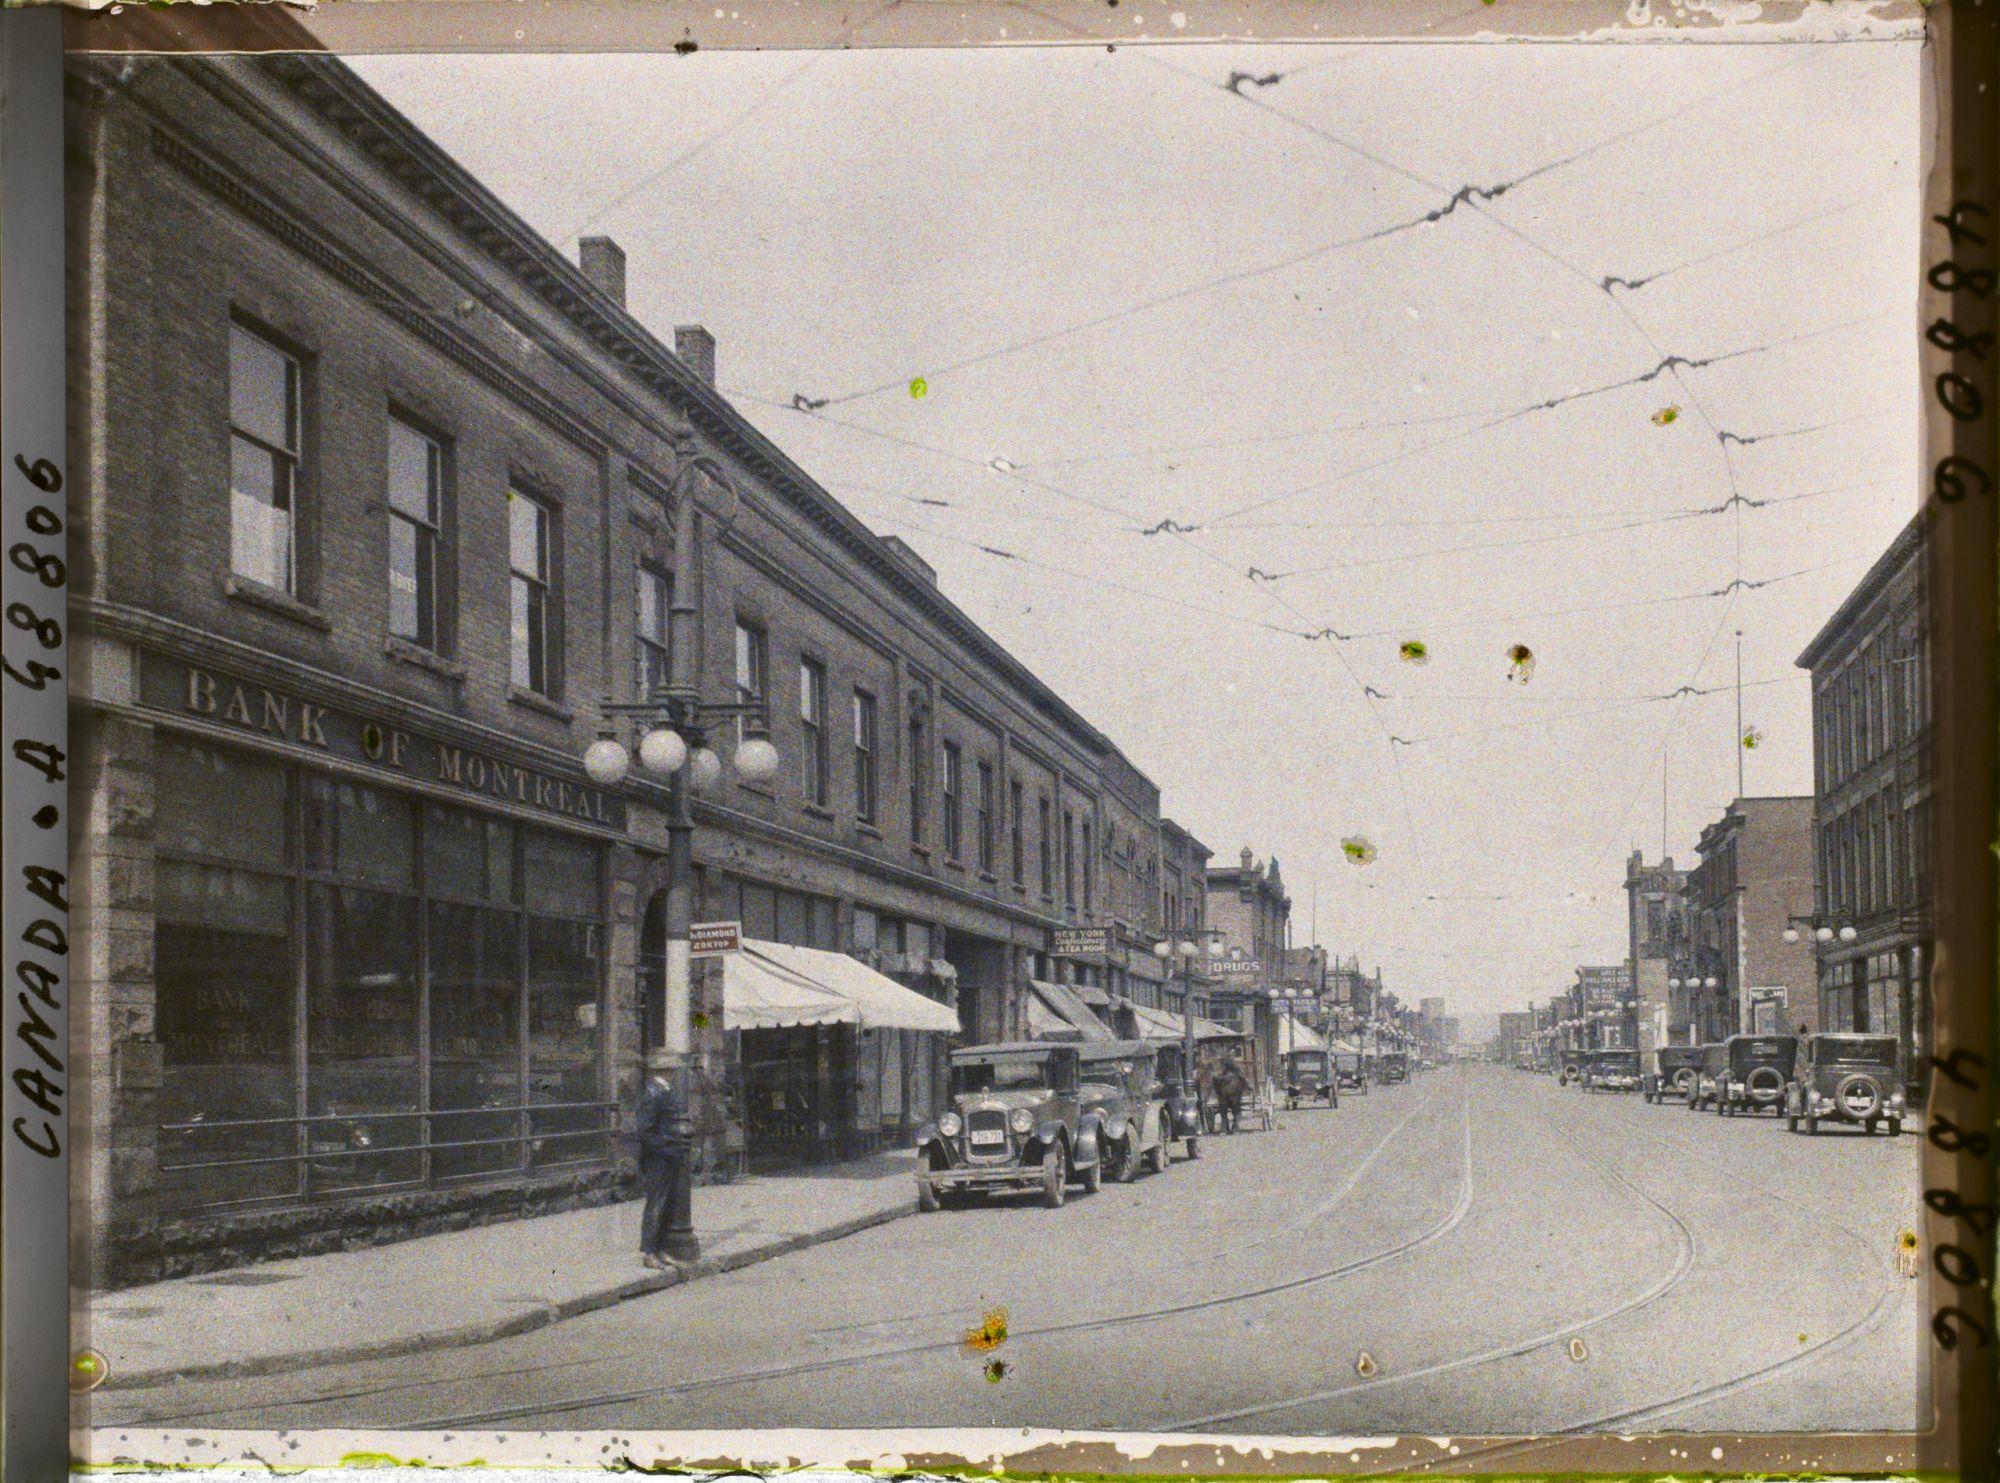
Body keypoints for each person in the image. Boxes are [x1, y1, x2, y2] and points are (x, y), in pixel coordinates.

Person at [636, 1049, 687, 1269]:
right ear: (666, 1070)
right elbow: (645, 1131)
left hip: (668, 1155)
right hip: (658, 1158)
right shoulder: (654, 1093)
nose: (675, 1073)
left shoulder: (663, 1091)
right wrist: (666, 1149)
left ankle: (660, 1249)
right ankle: (649, 1252)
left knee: (667, 1204)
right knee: (656, 1204)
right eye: (672, 1069)